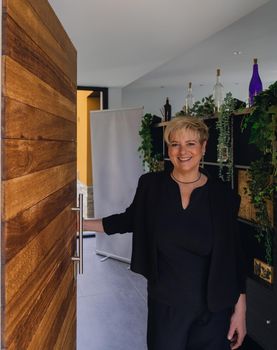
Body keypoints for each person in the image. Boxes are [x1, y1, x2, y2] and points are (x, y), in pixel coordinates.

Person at [84, 116, 247, 350]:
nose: (182, 151)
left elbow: (235, 256)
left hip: (215, 309)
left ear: (203, 147)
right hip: (166, 305)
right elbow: (130, 220)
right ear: (168, 149)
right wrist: (82, 224)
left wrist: (240, 311)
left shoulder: (223, 195)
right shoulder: (151, 186)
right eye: (175, 144)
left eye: (191, 143)